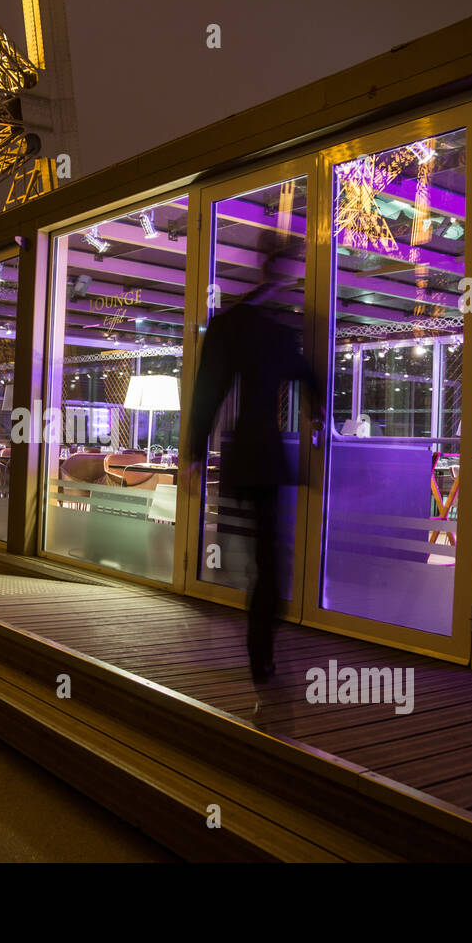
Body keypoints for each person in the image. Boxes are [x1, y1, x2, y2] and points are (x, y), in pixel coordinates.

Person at [187, 252, 320, 683]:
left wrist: (194, 452)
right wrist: (319, 416)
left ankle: (258, 646)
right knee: (268, 559)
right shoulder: (277, 332)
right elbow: (307, 375)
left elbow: (209, 391)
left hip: (242, 457)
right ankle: (260, 651)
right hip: (264, 457)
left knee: (254, 556)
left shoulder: (232, 325)